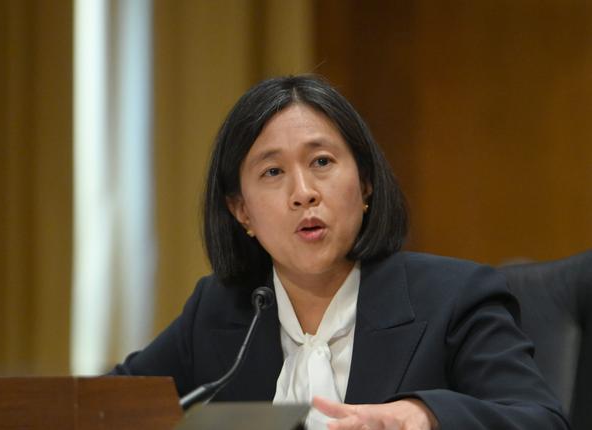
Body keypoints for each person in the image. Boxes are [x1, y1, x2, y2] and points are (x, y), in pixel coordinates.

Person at [111, 75, 569, 429]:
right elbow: (104, 409)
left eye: (322, 162)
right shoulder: (218, 311)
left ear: (365, 183)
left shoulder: (454, 298)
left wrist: (423, 416)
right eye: (272, 172)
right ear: (241, 211)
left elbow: (541, 420)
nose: (303, 193)